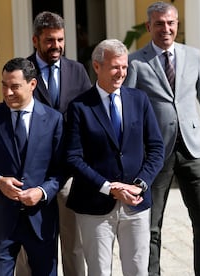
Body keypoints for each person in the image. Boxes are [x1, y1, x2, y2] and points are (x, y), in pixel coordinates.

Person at [123, 2, 200, 275]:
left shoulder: (193, 55)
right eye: (160, 23)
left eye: (171, 23)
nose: (166, 28)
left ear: (177, 25)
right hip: (155, 154)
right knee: (151, 224)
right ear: (149, 26)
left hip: (193, 148)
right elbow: (129, 112)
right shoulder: (135, 62)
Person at [65, 39, 164, 276]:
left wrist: (139, 185)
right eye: (114, 67)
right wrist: (109, 188)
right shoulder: (79, 106)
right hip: (94, 205)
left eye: (124, 67)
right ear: (97, 67)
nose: (121, 73)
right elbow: (73, 158)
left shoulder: (139, 99)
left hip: (136, 203)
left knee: (138, 270)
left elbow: (156, 148)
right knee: (99, 271)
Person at [20, 11, 92, 276]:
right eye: (50, 40)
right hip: (33, 171)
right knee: (34, 243)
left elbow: (88, 115)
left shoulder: (77, 70)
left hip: (70, 171)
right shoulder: (22, 70)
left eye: (60, 39)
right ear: (35, 40)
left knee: (73, 245)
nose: (57, 46)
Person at [0, 57, 63, 275]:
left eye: (14, 86)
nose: (7, 93)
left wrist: (42, 191)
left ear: (32, 84)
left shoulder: (54, 120)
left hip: (41, 220)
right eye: (4, 85)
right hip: (1, 221)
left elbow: (61, 169)